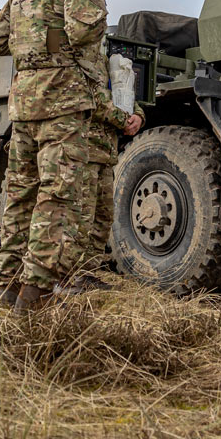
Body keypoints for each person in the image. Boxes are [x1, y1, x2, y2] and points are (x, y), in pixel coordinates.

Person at [0, 0, 108, 314]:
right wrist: (58, 43)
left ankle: (6, 285)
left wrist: (39, 40)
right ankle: (34, 294)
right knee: (58, 195)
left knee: (20, 194)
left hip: (23, 104)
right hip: (63, 104)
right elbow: (84, 31)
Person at [60, 58, 143, 292]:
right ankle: (65, 276)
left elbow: (124, 95)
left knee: (103, 217)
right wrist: (121, 118)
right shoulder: (79, 60)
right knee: (80, 218)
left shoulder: (110, 63)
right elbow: (89, 100)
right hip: (84, 151)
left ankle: (86, 274)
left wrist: (137, 116)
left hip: (107, 154)